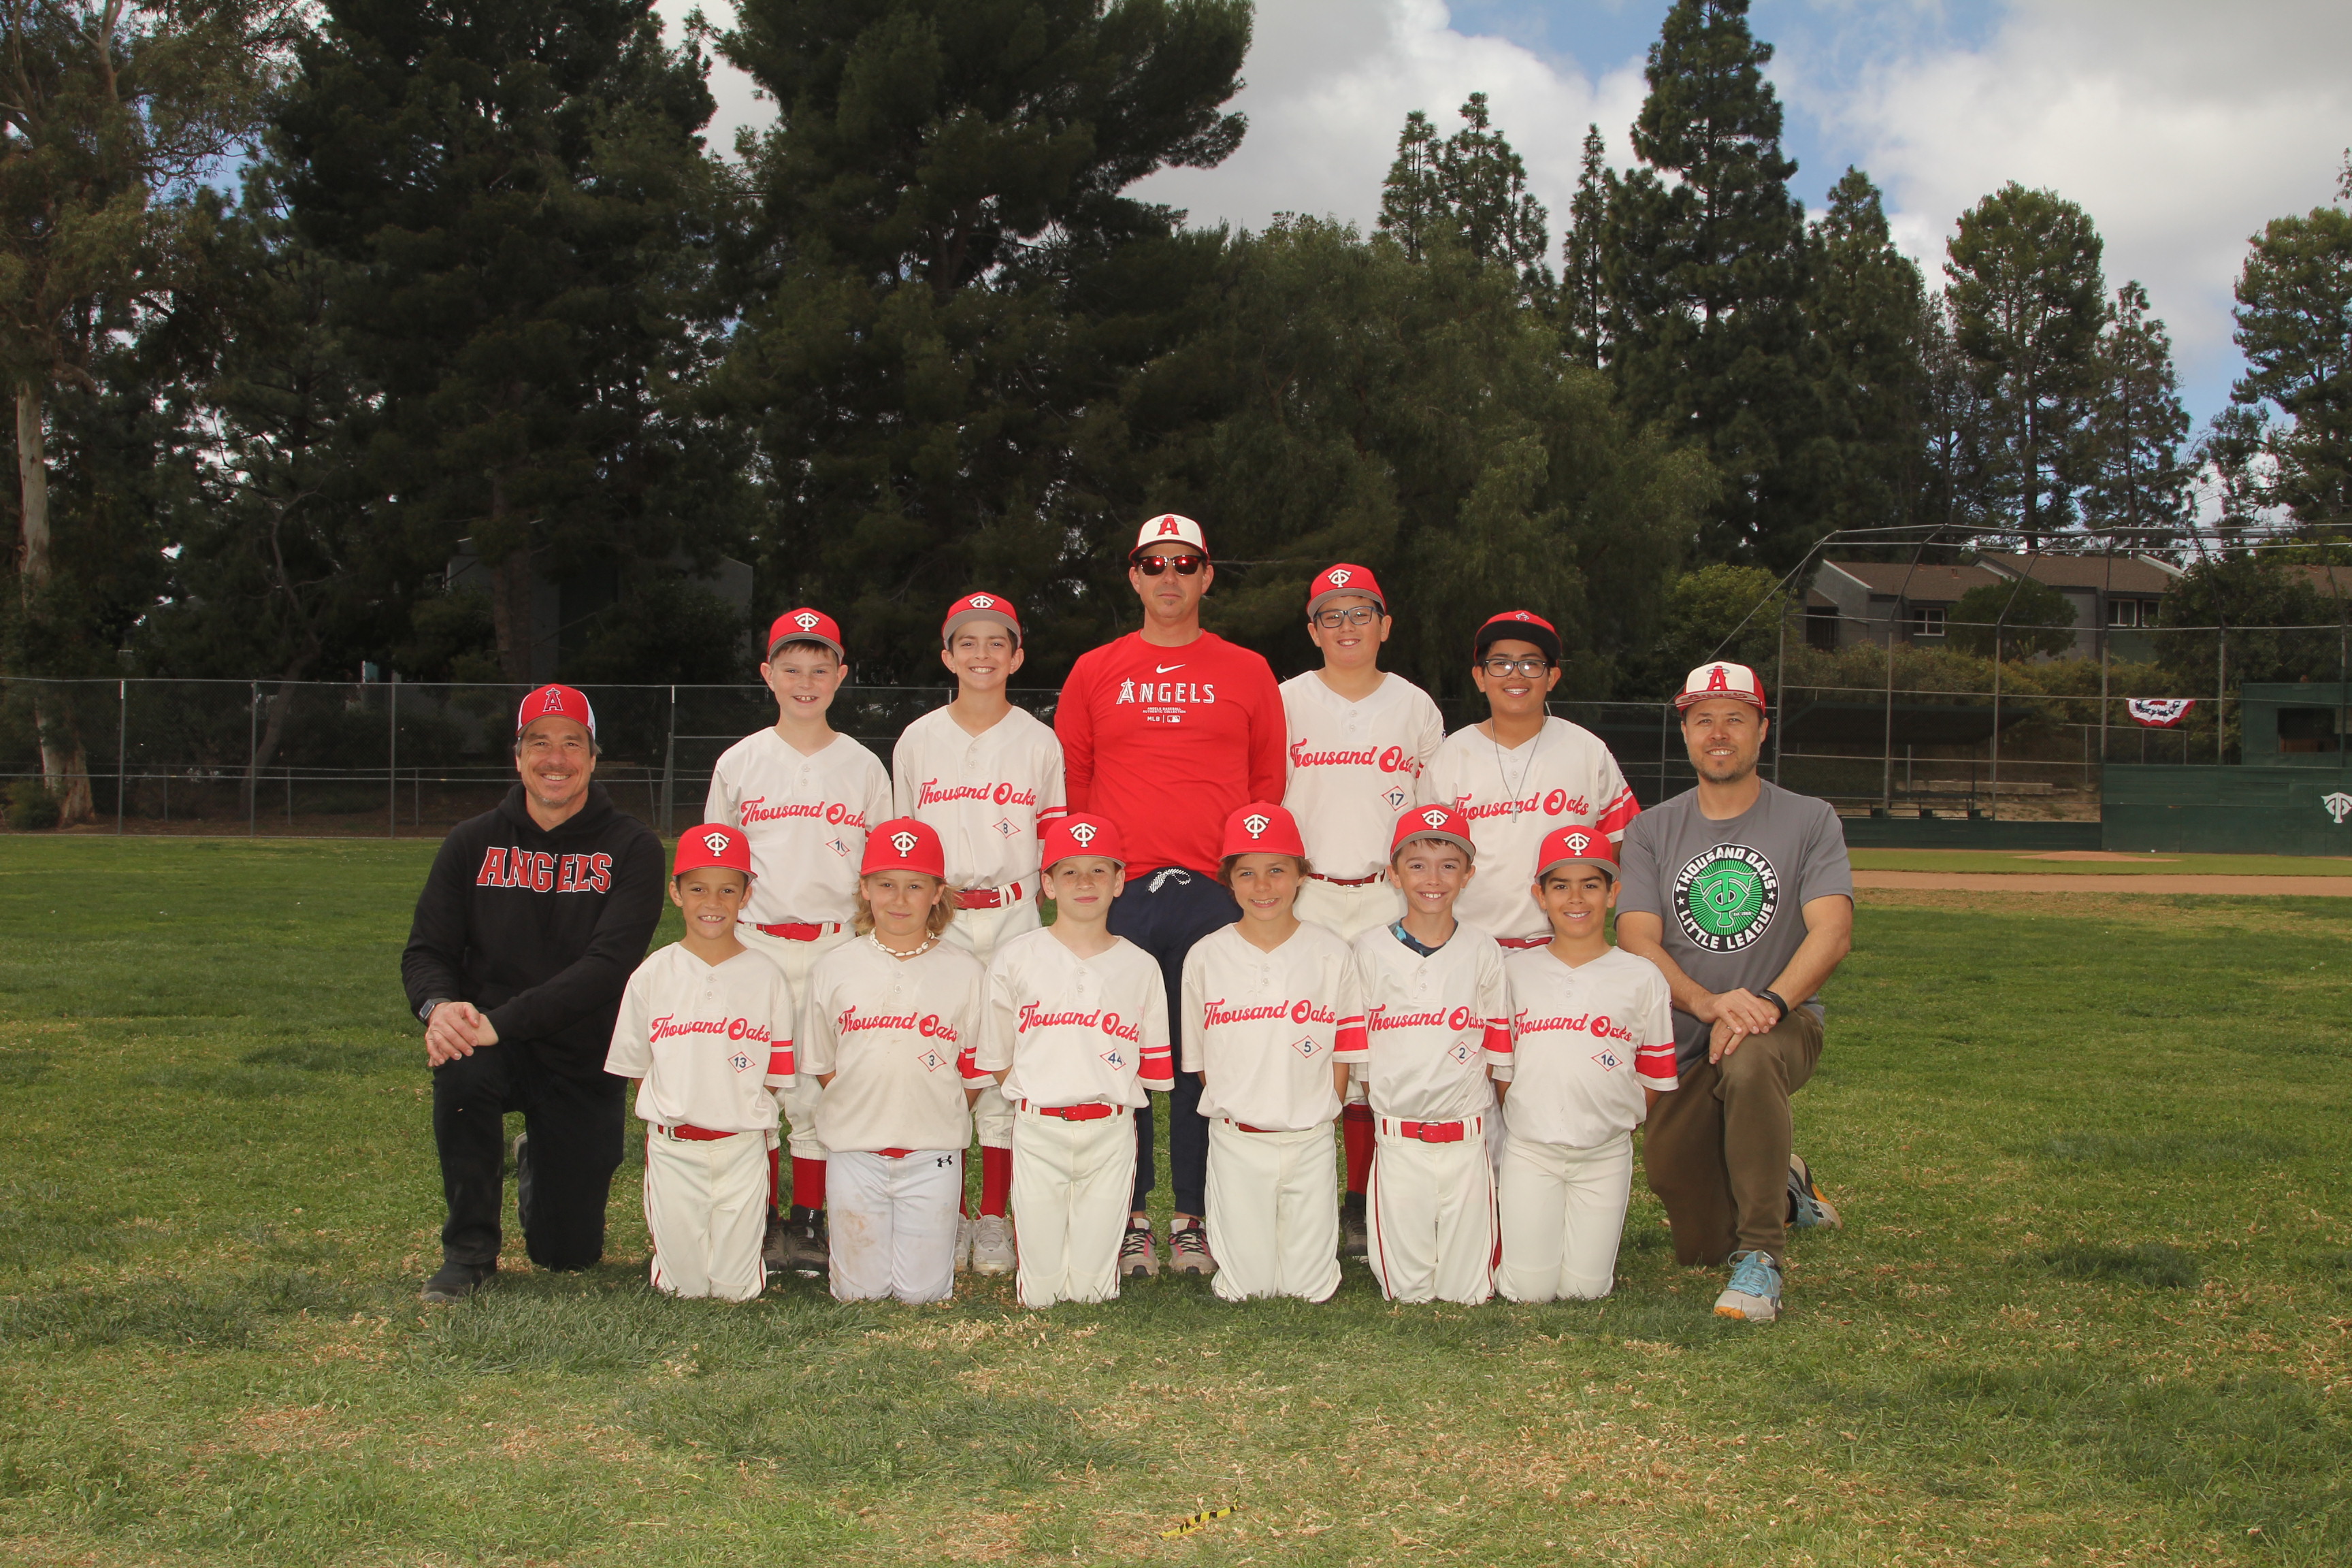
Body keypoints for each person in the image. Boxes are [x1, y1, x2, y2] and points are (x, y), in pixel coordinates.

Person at [1055, 514, 1286, 1279]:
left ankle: (1192, 1217)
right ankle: (1127, 1220)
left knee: (1202, 1063)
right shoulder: (1095, 668)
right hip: (1120, 892)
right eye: (1153, 564)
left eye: (1185, 564)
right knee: (1118, 1056)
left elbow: (1267, 780)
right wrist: (1094, 877)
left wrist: (1242, 875)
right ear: (1134, 576)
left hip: (1213, 892)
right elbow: (1077, 780)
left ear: (1207, 576)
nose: (1169, 577)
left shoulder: (1247, 669)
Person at [402, 684, 666, 1303]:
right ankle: (469, 1252)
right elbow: (427, 951)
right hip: (487, 1042)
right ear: (517, 756)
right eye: (539, 743)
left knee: (567, 1254)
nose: (555, 759)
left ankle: (538, 1164)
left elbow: (607, 968)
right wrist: (440, 1009)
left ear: (593, 758)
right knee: (461, 1068)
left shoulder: (632, 847)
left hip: (581, 1051)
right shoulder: (472, 842)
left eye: (572, 743)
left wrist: (502, 1020)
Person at [1614, 662, 1855, 1324]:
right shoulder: (1653, 829)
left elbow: (1832, 932)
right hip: (1692, 1032)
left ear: (1762, 729)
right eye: (1704, 720)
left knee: (1750, 1061)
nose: (1718, 733)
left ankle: (1762, 1257)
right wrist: (1708, 1004)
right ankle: (1787, 1189)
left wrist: (1767, 1005)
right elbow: (1636, 936)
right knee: (1696, 1240)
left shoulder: (1809, 818)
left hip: (1782, 1023)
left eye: (1735, 719)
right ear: (1686, 732)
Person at [706, 608, 894, 1275]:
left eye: (820, 669)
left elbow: (882, 870)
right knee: (752, 1081)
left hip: (835, 944)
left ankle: (809, 1220)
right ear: (767, 674)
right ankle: (758, 1217)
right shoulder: (740, 762)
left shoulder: (864, 766)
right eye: (791, 669)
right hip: (755, 941)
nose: (805, 683)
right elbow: (716, 866)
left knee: (818, 1087)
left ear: (842, 675)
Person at [892, 591, 1067, 1278]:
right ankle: (947, 1210)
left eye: (998, 641)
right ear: (947, 656)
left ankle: (993, 1215)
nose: (982, 654)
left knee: (1002, 1066)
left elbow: (1054, 838)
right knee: (940, 1059)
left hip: (1015, 911)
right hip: (942, 915)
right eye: (967, 641)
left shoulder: (1038, 740)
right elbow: (903, 842)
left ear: (1017, 656)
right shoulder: (918, 739)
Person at [1277, 562, 1445, 1258]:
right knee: (1307, 1045)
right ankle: (1303, 1193)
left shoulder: (1415, 706)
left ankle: (1361, 1200)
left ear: (1385, 625)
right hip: (1306, 892)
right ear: (1313, 629)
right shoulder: (1284, 700)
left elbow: (1433, 815)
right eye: (1332, 614)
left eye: (1360, 612)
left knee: (1378, 1052)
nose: (1347, 626)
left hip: (1385, 890)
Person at [977, 813, 1173, 1309]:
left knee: (1092, 1291)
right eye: (1069, 872)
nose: (1085, 883)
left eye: (1099, 871)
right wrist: (1040, 1091)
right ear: (1047, 884)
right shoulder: (1016, 957)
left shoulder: (1141, 965)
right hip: (1038, 1127)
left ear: (1120, 881)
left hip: (1110, 1130)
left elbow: (1149, 1068)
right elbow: (998, 1057)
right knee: (1041, 1292)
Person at [794, 819, 989, 1305]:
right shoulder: (834, 967)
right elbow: (824, 1064)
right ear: (864, 888)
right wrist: (868, 1107)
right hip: (855, 1152)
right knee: (857, 1293)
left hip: (932, 1154)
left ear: (938, 893)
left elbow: (973, 1073)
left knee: (923, 1295)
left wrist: (931, 1112)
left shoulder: (966, 971)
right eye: (885, 885)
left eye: (915, 886)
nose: (899, 900)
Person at [1181, 803, 1367, 1305]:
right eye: (1247, 873)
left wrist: (1320, 1110)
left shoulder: (1331, 952)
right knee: (1248, 1287)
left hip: (1309, 1139)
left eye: (1277, 870)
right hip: (1238, 1140)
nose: (1263, 886)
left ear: (1303, 875)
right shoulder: (1206, 955)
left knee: (1310, 1288)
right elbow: (1202, 1063)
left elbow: (1344, 1050)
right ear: (1228, 880)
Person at [603, 824, 795, 1302]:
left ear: (747, 895)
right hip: (674, 1149)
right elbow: (638, 1067)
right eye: (698, 889)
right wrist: (679, 1109)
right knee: (683, 1288)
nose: (713, 902)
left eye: (728, 889)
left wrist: (731, 1111)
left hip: (742, 1148)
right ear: (676, 893)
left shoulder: (767, 976)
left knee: (735, 1290)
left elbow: (774, 1075)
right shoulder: (652, 974)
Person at [1493, 825, 1677, 1305]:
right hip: (1531, 1150)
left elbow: (1655, 1073)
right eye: (1560, 886)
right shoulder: (1513, 972)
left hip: (1604, 1153)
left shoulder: (1642, 976)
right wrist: (1530, 1113)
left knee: (1585, 1291)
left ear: (1613, 894)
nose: (1576, 898)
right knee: (1528, 1292)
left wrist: (1616, 1119)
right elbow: (1501, 1069)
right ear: (1540, 895)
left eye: (1591, 885)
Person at [1351, 805, 1512, 1305]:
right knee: (1408, 1291)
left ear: (1468, 874)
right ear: (1394, 874)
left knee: (1469, 1292)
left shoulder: (1484, 949)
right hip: (1399, 1136)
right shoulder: (1368, 950)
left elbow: (1497, 1047)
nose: (1433, 879)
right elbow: (1360, 1050)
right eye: (1417, 865)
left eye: (1448, 865)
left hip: (1466, 1136)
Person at [1426, 611, 1640, 951]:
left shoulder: (1588, 750)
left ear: (1552, 677)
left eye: (1531, 664)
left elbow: (1617, 842)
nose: (1516, 674)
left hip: (1559, 945)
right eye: (1500, 663)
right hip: (1466, 944)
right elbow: (1425, 856)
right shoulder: (1451, 754)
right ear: (1480, 677)